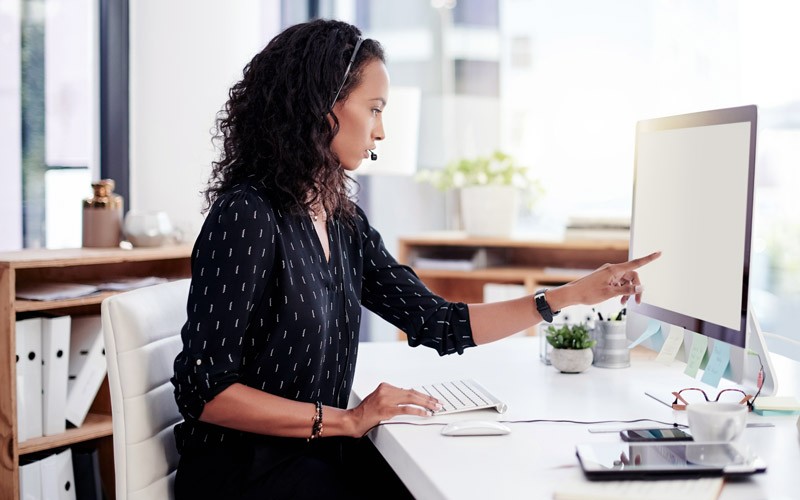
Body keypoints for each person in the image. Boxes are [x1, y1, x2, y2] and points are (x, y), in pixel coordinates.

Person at [170, 18, 660, 500]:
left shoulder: (343, 222)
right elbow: (202, 390)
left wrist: (571, 296)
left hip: (319, 452)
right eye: (375, 108)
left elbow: (437, 322)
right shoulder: (247, 215)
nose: (381, 131)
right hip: (245, 470)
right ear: (322, 108)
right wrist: (346, 419)